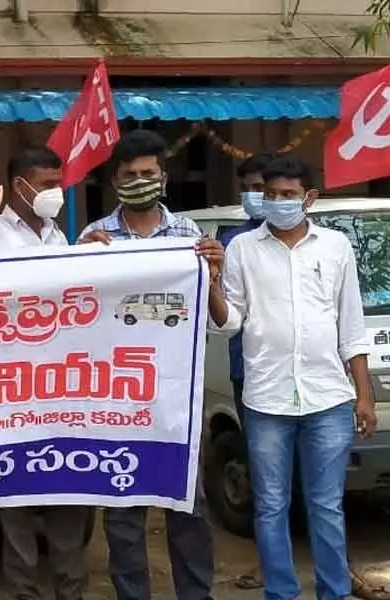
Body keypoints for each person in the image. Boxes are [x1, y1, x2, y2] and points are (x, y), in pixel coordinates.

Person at [209, 155, 377, 600]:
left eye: (288, 195)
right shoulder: (242, 248)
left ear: (309, 198)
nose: (278, 202)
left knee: (326, 506)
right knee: (270, 507)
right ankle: (280, 593)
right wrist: (212, 284)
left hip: (329, 399)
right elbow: (230, 322)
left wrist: (364, 394)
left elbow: (351, 325)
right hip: (267, 401)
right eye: (271, 195)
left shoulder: (335, 246)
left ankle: (334, 592)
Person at [80, 129, 223, 600]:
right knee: (122, 509)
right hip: (117, 396)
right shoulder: (93, 238)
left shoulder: (190, 236)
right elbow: (78, 317)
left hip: (178, 395)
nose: (140, 181)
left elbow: (221, 319)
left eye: (148, 174)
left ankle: (196, 595)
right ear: (114, 180)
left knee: (190, 506)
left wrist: (215, 275)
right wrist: (80, 267)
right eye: (129, 175)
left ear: (164, 177)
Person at [0, 147, 96, 600]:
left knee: (67, 505)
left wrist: (87, 259)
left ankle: (70, 592)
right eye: (49, 183)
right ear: (21, 186)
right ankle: (24, 594)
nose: (58, 192)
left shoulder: (58, 236)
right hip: (11, 396)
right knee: (15, 510)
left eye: (60, 182)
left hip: (61, 395)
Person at [219, 151, 274, 592]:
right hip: (249, 371)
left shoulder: (319, 240)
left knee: (317, 479)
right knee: (264, 470)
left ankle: (337, 565)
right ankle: (267, 561)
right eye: (250, 187)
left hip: (306, 375)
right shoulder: (234, 242)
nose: (256, 195)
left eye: (263, 186)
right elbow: (224, 312)